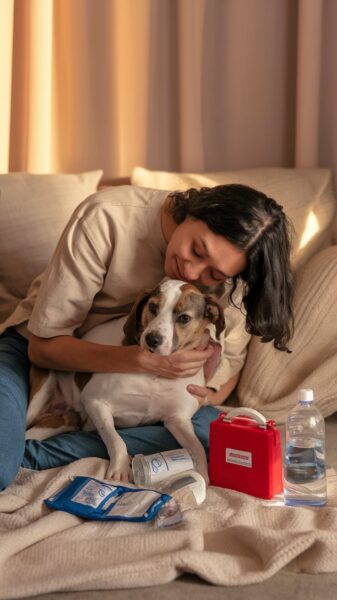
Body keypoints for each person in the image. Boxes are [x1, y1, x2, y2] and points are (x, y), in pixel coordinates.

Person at [0, 183, 293, 490]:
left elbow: (229, 363)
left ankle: (52, 445)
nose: (193, 273)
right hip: (35, 356)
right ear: (194, 212)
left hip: (129, 389)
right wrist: (146, 362)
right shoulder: (106, 217)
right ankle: (40, 450)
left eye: (214, 275)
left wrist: (202, 394)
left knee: (209, 429)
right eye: (196, 250)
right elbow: (42, 349)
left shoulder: (232, 272)